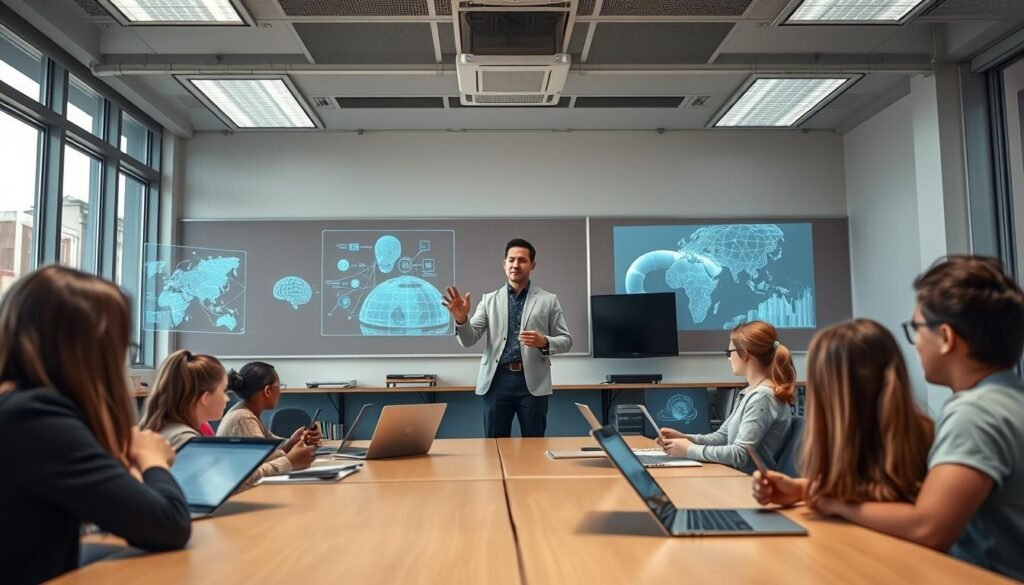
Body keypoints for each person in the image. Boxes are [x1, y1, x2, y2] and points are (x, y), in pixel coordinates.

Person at [759, 256, 1024, 580]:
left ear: (945, 337)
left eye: (916, 329)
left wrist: (832, 503)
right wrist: (806, 490)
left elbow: (928, 527)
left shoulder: (976, 414)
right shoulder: (1007, 400)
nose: (916, 343)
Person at [0, 266, 191, 585]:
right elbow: (169, 525)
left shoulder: (14, 405)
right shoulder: (36, 417)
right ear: (94, 349)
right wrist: (152, 458)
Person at [752, 319, 934, 509]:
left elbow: (920, 517)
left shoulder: (921, 441)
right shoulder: (848, 437)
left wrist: (827, 502)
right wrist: (801, 490)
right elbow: (863, 492)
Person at [443, 238, 572, 438]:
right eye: (511, 260)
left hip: (533, 383)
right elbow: (469, 340)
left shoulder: (548, 300)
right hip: (496, 381)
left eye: (522, 260)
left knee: (534, 444)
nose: (515, 265)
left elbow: (566, 341)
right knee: (495, 445)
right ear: (504, 264)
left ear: (532, 265)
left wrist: (544, 342)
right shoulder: (489, 300)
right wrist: (461, 319)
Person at [658, 321, 795, 472]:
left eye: (729, 353)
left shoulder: (762, 397)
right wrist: (685, 439)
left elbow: (739, 454)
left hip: (748, 481)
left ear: (745, 354)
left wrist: (689, 450)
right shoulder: (748, 392)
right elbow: (722, 437)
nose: (729, 358)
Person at [217, 361, 318, 488]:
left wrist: (292, 442)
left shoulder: (245, 411)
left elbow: (268, 444)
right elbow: (264, 460)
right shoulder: (242, 418)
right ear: (268, 390)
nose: (280, 391)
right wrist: (291, 459)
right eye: (279, 386)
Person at [140, 349, 231, 449]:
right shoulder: (187, 442)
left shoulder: (163, 429)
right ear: (206, 397)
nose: (227, 399)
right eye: (224, 390)